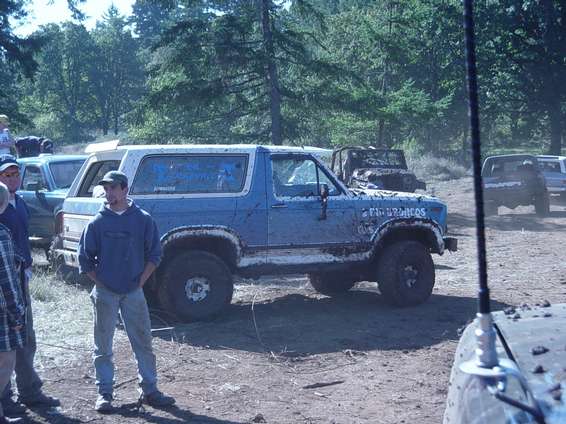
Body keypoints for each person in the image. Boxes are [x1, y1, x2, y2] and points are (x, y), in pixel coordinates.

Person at [78, 171, 175, 413]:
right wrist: (102, 284)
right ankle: (105, 394)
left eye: (113, 188)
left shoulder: (142, 219)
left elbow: (155, 254)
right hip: (105, 294)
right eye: (106, 188)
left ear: (124, 190)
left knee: (143, 341)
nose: (109, 193)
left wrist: (140, 281)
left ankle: (150, 389)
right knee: (103, 345)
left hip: (134, 292)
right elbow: (85, 259)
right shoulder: (97, 222)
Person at [0, 155, 60, 415]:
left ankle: (29, 391)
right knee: (6, 340)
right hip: (6, 279)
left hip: (21, 276)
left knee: (25, 334)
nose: (13, 178)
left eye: (15, 174)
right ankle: (5, 395)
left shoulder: (20, 202)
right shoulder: (1, 204)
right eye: (7, 175)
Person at [0, 182, 26, 424]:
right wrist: (17, 314)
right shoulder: (1, 234)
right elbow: (7, 279)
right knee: (6, 360)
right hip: (1, 312)